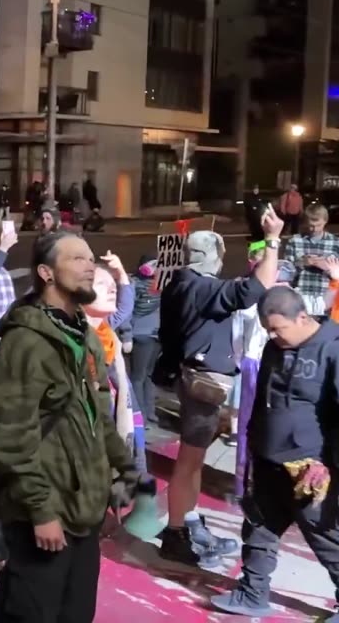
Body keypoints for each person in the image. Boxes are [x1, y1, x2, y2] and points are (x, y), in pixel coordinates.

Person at [0, 231, 142, 622]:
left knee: (76, 612)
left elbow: (97, 415)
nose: (90, 266)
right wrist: (40, 512)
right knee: (31, 613)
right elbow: (9, 435)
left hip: (83, 512)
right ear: (46, 273)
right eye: (77, 259)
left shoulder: (83, 335)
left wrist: (125, 468)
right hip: (43, 515)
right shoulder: (26, 343)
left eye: (90, 258)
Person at [156, 209, 284, 568]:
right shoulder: (200, 287)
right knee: (189, 461)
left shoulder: (181, 283)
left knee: (193, 460)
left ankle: (187, 521)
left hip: (191, 377)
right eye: (220, 254)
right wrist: (272, 240)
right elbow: (255, 289)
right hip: (201, 383)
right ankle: (176, 532)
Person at [212, 286, 339, 619]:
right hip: (268, 461)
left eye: (278, 328)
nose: (272, 335)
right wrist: (252, 444)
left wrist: (329, 465)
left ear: (302, 318)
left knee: (326, 538)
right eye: (268, 329)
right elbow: (262, 399)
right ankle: (252, 593)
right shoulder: (273, 347)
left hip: (311, 469)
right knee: (258, 529)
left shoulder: (333, 349)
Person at [232, 245, 296, 497]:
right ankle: (244, 484)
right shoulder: (250, 297)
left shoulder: (290, 298)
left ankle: (272, 482)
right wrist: (242, 362)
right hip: (254, 363)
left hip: (281, 364)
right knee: (249, 423)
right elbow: (238, 333)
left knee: (279, 422)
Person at [83, 258, 148, 475]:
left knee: (136, 462)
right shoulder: (73, 338)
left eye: (113, 284)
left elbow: (125, 306)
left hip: (126, 411)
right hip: (95, 425)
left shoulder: (107, 329)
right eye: (101, 284)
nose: (112, 288)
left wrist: (120, 273)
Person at [283, 203, 339, 316]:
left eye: (318, 225)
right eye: (310, 225)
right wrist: (301, 263)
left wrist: (329, 268)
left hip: (327, 297)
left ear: (325, 221)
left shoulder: (335, 243)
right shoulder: (295, 241)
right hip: (301, 296)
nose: (313, 229)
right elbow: (285, 273)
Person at [126, 254, 162, 427]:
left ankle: (141, 416)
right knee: (147, 375)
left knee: (138, 377)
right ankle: (149, 412)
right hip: (156, 334)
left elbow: (129, 309)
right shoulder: (162, 284)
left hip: (143, 334)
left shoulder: (136, 284)